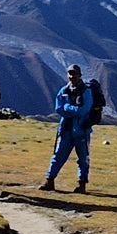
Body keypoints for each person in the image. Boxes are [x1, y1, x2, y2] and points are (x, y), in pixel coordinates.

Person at [39, 64, 93, 194]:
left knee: (82, 158)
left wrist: (68, 108)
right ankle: (49, 180)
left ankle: (82, 184)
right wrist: (73, 110)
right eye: (69, 74)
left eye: (74, 74)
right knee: (58, 155)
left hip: (81, 131)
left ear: (79, 75)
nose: (71, 76)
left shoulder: (86, 91)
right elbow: (58, 108)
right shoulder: (64, 90)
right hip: (66, 130)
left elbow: (83, 110)